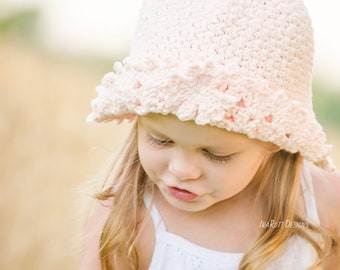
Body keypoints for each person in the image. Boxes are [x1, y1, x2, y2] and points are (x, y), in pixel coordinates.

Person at [81, 0, 340, 269]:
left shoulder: (323, 206)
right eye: (160, 140)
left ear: (275, 137)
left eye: (216, 154)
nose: (182, 170)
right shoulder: (126, 222)